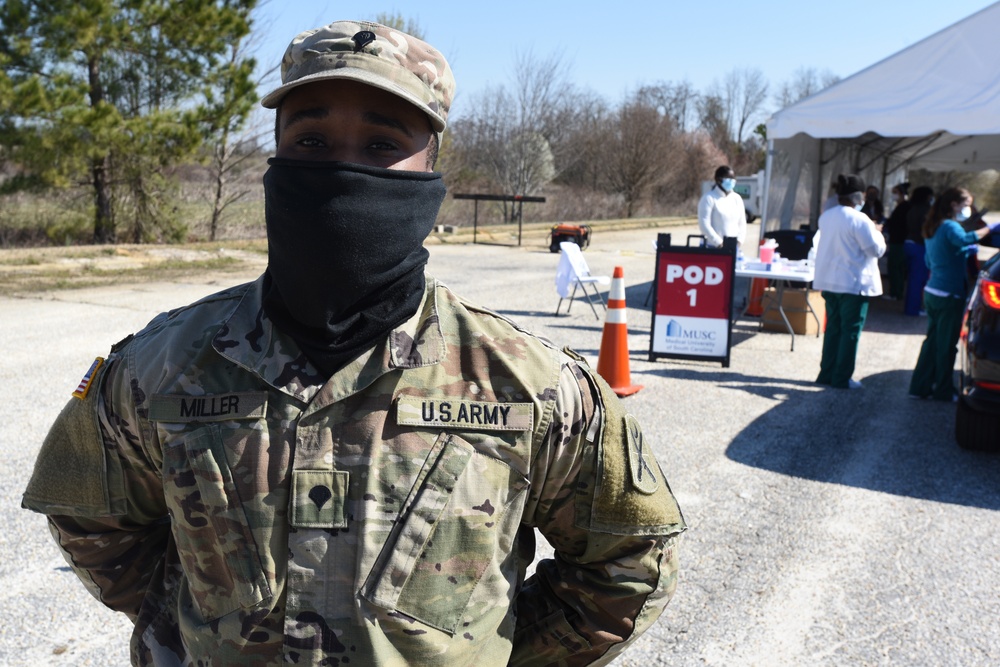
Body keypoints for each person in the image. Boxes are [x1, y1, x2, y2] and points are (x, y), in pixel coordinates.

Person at [21, 20, 685, 666]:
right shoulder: (163, 366)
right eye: (311, 140)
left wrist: (501, 650)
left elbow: (629, 558)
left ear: (430, 166)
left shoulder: (527, 384)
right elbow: (90, 514)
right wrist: (185, 629)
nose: (343, 168)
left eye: (380, 144)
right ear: (276, 156)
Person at [908, 187, 1000, 401]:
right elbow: (965, 239)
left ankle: (919, 387)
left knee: (932, 342)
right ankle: (943, 390)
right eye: (966, 204)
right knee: (947, 345)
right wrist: (989, 229)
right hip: (949, 294)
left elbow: (931, 261)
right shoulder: (950, 226)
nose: (968, 209)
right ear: (954, 205)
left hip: (933, 291)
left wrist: (958, 255)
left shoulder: (934, 226)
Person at [812, 174, 886, 389]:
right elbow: (875, 250)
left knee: (833, 330)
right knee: (850, 332)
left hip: (830, 282)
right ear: (858, 196)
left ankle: (826, 373)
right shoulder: (860, 219)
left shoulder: (826, 216)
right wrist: (877, 232)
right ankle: (842, 377)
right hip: (853, 284)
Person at [698, 164, 747, 249]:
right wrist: (719, 243)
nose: (731, 181)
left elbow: (742, 223)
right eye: (728, 178)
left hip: (732, 248)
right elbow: (704, 224)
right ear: (718, 180)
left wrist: (739, 242)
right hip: (711, 247)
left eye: (733, 178)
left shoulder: (737, 198)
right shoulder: (708, 198)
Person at [903, 186, 934, 316]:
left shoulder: (912, 209)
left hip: (909, 243)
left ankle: (911, 307)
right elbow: (926, 230)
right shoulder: (926, 211)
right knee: (918, 280)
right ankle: (913, 309)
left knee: (913, 279)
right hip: (919, 246)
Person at [882, 182, 910, 300]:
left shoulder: (904, 207)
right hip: (898, 240)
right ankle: (896, 292)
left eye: (895, 192)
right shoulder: (901, 206)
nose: (893, 195)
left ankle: (895, 293)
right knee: (896, 268)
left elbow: (898, 224)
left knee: (895, 267)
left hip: (899, 241)